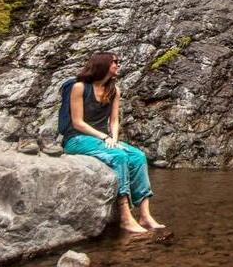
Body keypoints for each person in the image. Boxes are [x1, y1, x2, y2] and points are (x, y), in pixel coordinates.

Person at [62, 51, 165, 233]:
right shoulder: (79, 88)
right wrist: (105, 138)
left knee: (138, 156)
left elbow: (114, 120)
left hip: (103, 138)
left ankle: (145, 215)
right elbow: (77, 122)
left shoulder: (114, 90)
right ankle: (126, 216)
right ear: (102, 64)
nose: (118, 65)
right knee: (118, 157)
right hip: (77, 139)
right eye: (115, 62)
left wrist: (114, 139)